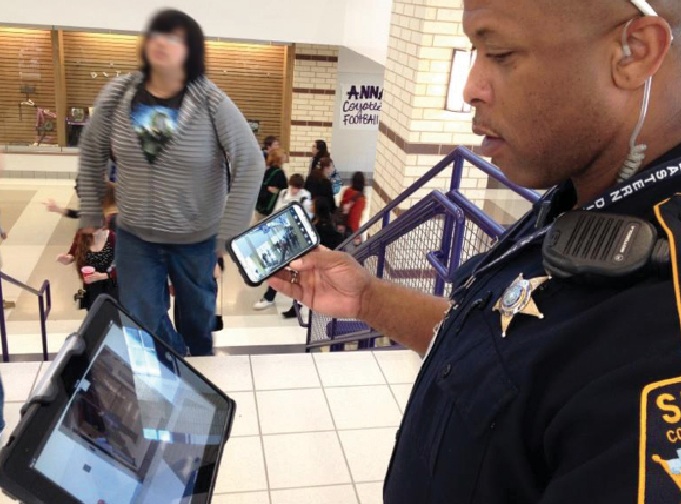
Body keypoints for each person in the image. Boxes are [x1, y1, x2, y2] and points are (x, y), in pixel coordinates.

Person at [269, 0, 681, 502]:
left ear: (635, 51)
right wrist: (366, 299)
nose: (470, 89)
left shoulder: (660, 334)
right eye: (473, 52)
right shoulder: (583, 191)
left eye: (500, 53)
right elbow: (508, 346)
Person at [76, 9, 264, 357]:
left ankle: (196, 377)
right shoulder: (118, 95)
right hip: (135, 237)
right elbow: (91, 151)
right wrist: (90, 209)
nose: (162, 42)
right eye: (157, 34)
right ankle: (174, 364)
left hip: (196, 240)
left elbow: (251, 163)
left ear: (191, 51)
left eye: (175, 37)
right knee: (140, 320)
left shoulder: (211, 102)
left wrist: (226, 236)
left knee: (198, 324)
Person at [253, 173, 312, 312]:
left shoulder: (305, 197)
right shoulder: (283, 193)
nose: (294, 190)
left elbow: (306, 217)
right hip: (280, 236)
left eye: (297, 188)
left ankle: (297, 303)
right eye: (292, 187)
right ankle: (269, 296)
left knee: (296, 271)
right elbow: (276, 211)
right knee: (276, 268)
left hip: (295, 240)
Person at [57, 228, 117, 311]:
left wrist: (104, 275)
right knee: (93, 316)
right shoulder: (81, 235)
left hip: (112, 287)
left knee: (110, 317)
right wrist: (67, 259)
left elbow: (125, 267)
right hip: (91, 288)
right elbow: (73, 254)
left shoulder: (113, 237)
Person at [255, 148, 287, 220]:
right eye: (284, 156)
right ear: (279, 158)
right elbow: (283, 189)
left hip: (261, 204)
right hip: (270, 206)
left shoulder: (267, 170)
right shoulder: (279, 172)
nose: (285, 158)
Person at [337, 171, 366, 240]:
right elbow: (354, 218)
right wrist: (357, 236)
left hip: (342, 225)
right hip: (351, 230)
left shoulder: (347, 191)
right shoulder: (360, 199)